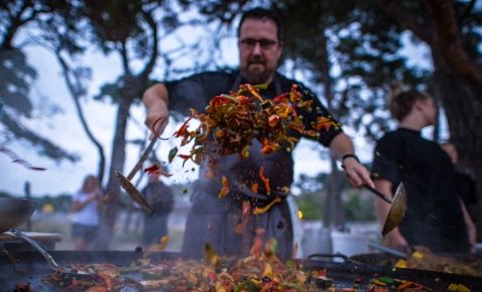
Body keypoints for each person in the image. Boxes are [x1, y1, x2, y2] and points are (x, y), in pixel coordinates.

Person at [142, 8, 373, 259]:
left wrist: (349, 157)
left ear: (279, 47)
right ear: (239, 45)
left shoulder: (296, 96)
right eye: (249, 42)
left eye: (266, 43)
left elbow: (335, 135)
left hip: (271, 218)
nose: (256, 52)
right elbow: (157, 91)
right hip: (210, 214)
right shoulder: (216, 85)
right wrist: (157, 105)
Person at [371, 90, 474, 253]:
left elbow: (451, 190)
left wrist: (469, 225)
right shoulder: (393, 141)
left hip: (456, 240)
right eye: (432, 104)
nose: (435, 110)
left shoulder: (436, 150)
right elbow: (382, 187)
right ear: (418, 104)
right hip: (418, 241)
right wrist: (392, 233)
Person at [141, 172, 174, 245]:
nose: (152, 175)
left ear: (159, 175)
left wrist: (163, 213)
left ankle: (161, 256)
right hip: (149, 220)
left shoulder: (166, 189)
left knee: (161, 241)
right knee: (147, 242)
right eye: (151, 173)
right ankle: (146, 255)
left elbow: (170, 204)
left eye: (155, 173)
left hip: (161, 219)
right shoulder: (145, 189)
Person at [70, 175, 103, 251]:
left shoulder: (98, 194)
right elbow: (76, 208)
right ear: (85, 184)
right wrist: (89, 199)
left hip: (92, 224)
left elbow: (100, 209)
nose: (91, 186)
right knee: (79, 248)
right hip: (79, 223)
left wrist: (100, 200)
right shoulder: (78, 193)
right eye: (90, 183)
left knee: (87, 249)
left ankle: (83, 263)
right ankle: (76, 262)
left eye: (93, 184)